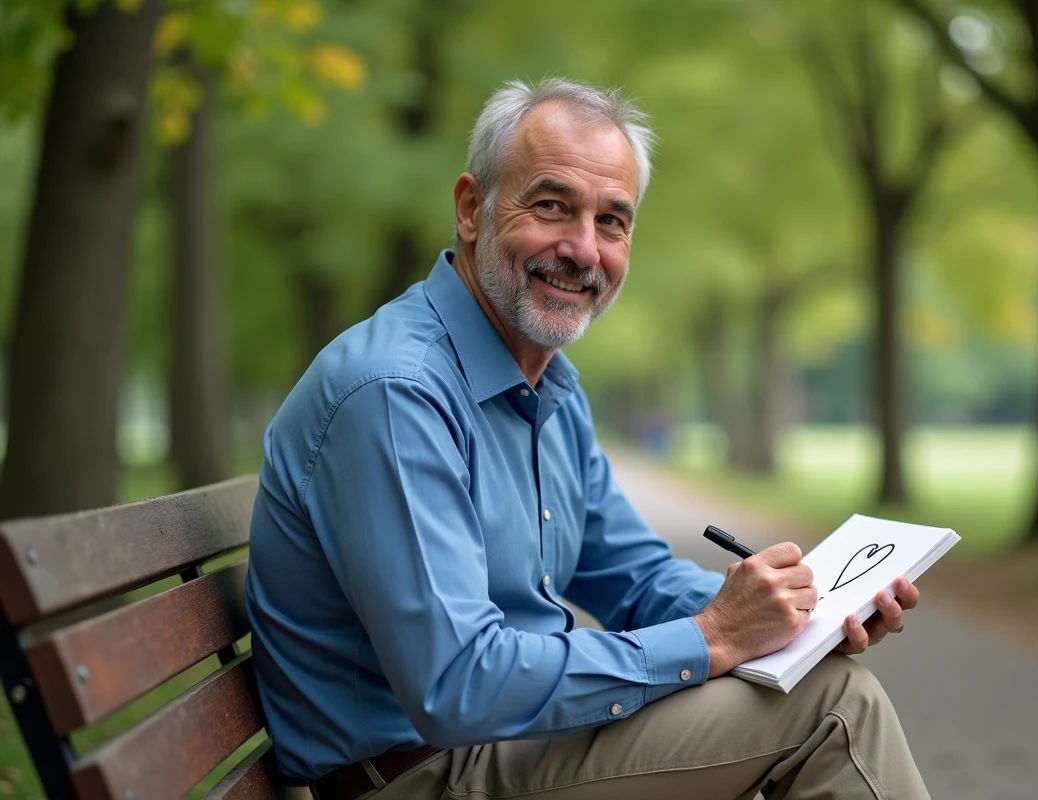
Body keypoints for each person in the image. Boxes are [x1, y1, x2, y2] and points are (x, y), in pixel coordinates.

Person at [245, 78, 928, 800]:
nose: (582, 249)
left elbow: (634, 579)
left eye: (611, 221)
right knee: (836, 706)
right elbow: (457, 684)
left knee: (820, 674)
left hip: (509, 746)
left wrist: (796, 612)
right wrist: (714, 637)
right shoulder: (396, 393)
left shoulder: (547, 386)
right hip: (423, 776)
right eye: (551, 206)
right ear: (472, 209)